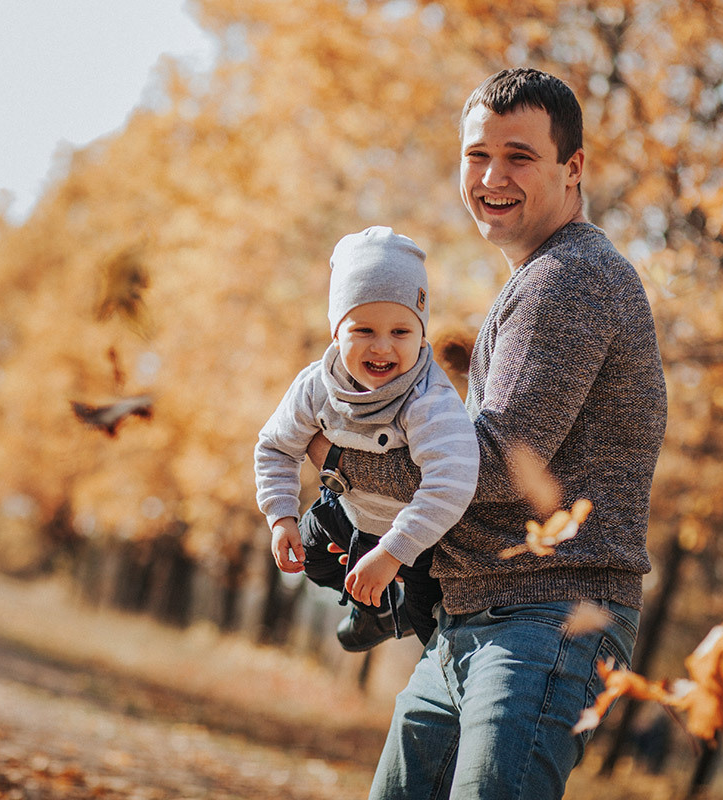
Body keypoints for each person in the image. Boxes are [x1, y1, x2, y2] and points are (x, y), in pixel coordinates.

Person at [309, 68, 667, 798]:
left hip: (546, 620)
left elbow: (501, 464)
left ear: (573, 170)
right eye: (477, 155)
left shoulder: (568, 281)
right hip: (476, 618)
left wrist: (341, 460)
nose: (492, 175)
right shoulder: (537, 279)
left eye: (519, 156)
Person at [255, 225, 478, 650]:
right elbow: (276, 446)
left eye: (400, 332)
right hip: (350, 513)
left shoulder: (427, 399)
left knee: (427, 617)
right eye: (363, 331)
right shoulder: (316, 387)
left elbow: (452, 481)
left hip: (415, 532)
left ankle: (400, 607)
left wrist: (393, 552)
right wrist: (281, 515)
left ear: (421, 334)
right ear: (336, 331)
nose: (382, 348)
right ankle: (373, 607)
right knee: (314, 556)